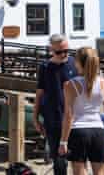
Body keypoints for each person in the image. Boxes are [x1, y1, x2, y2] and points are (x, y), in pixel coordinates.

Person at [59, 47, 104, 175]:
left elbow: (68, 115)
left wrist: (63, 141)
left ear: (78, 63)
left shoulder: (70, 85)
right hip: (98, 130)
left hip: (78, 131)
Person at [34, 34, 77, 175]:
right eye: (59, 52)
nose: (64, 54)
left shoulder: (75, 64)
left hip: (75, 119)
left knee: (78, 159)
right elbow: (39, 93)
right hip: (53, 119)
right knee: (59, 160)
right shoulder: (45, 67)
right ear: (51, 50)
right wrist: (35, 118)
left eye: (66, 51)